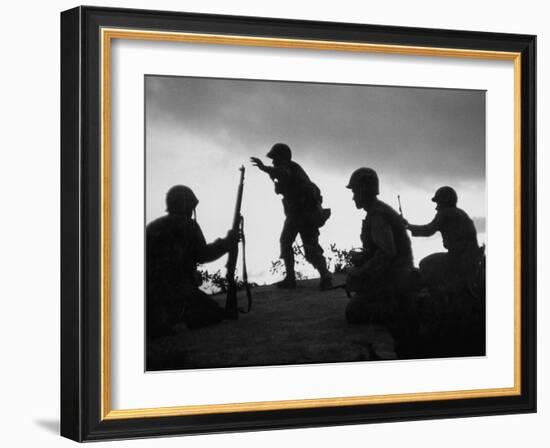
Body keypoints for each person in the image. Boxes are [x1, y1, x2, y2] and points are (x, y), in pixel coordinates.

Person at [146, 185, 236, 337]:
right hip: (175, 292)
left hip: (147, 294)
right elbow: (203, 255)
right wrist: (226, 243)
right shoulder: (187, 224)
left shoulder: (152, 227)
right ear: (187, 205)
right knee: (212, 314)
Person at [250, 143, 332, 290]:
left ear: (282, 158)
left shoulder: (288, 169)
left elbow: (283, 174)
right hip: (297, 214)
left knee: (309, 247)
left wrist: (264, 168)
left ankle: (324, 276)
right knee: (289, 242)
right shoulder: (289, 169)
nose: (273, 162)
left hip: (304, 214)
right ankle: (293, 278)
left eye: (275, 159)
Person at [344, 168, 419, 325]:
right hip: (395, 273)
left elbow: (387, 253)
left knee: (354, 312)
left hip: (395, 276)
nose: (353, 197)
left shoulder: (378, 215)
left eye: (355, 191)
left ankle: (399, 309)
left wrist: (361, 271)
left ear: (364, 190)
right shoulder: (377, 211)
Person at [404, 186, 482, 297]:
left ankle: (438, 300)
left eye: (438, 202)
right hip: (470, 259)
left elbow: (428, 230)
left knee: (425, 264)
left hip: (458, 259)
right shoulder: (460, 213)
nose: (436, 207)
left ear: (444, 201)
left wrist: (408, 226)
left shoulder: (445, 213)